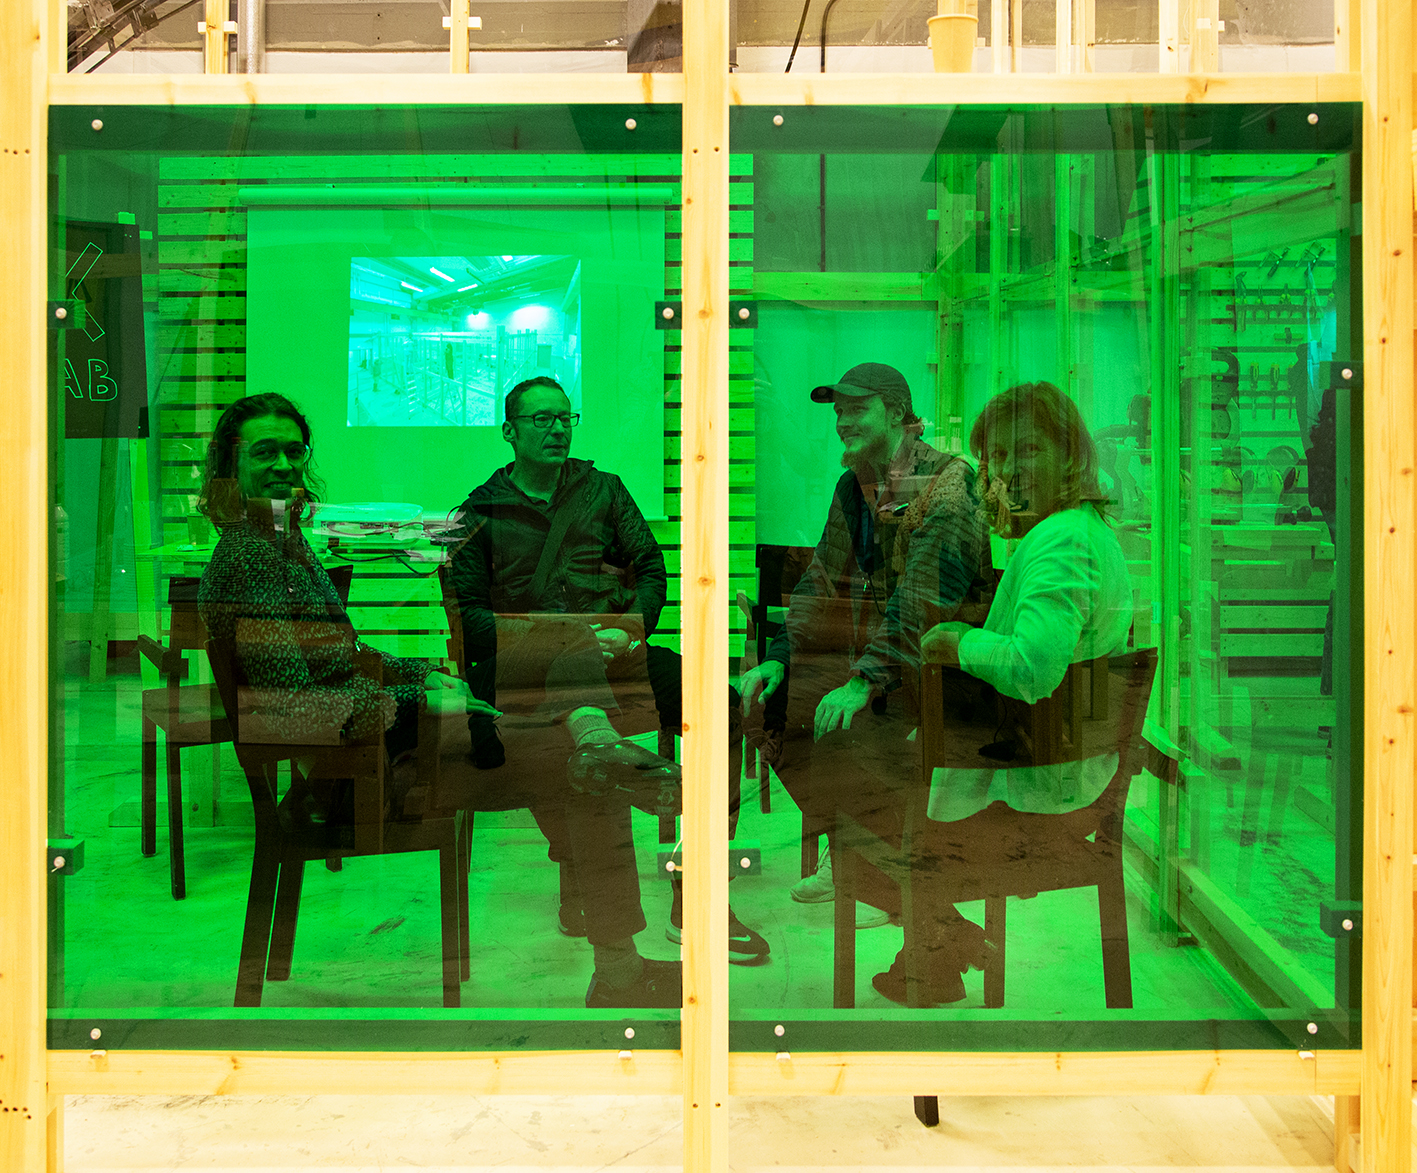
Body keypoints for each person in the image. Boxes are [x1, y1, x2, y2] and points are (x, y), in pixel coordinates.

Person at [447, 376, 768, 1010]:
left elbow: (652, 568)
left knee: (719, 703)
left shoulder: (604, 491)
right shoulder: (478, 512)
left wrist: (631, 629)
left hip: (614, 658)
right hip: (529, 672)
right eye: (540, 419)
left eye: (564, 417)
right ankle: (587, 842)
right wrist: (551, 638)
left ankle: (695, 884)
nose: (556, 428)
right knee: (583, 761)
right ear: (509, 431)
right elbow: (467, 611)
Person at [894, 380, 1135, 1006]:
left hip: (1042, 797)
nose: (1004, 472)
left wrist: (955, 643)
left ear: (1072, 459)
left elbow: (1032, 668)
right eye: (995, 458)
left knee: (858, 786)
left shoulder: (1061, 541)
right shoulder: (1072, 531)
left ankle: (937, 942)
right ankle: (937, 945)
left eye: (1024, 451)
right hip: (1065, 773)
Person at [739, 362, 993, 930]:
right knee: (763, 706)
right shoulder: (853, 483)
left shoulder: (948, 482)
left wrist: (864, 679)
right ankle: (861, 851)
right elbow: (820, 578)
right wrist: (779, 656)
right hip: (883, 660)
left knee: (848, 728)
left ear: (898, 414)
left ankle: (883, 868)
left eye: (856, 409)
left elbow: (926, 598)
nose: (842, 422)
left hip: (946, 671)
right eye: (838, 412)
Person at [196, 393, 484, 826]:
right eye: (264, 452)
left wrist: (421, 674)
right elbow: (294, 709)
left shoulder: (281, 539)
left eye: (294, 452)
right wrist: (421, 701)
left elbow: (347, 650)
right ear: (230, 467)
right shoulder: (250, 556)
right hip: (349, 779)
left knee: (520, 721)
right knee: (525, 746)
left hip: (359, 754)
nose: (283, 465)